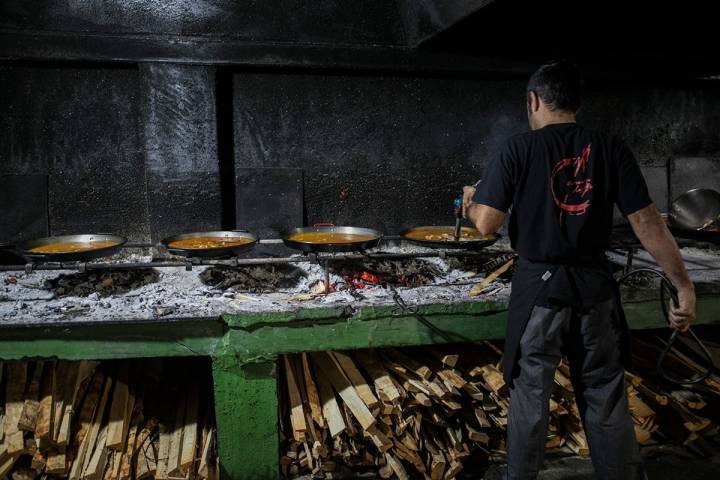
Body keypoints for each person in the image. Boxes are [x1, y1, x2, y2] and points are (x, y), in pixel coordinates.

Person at [462, 60, 696, 480]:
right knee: (605, 391)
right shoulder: (610, 147)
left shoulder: (518, 148)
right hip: (595, 290)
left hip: (540, 292)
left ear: (533, 100)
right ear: (577, 103)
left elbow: (485, 224)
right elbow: (646, 222)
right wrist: (683, 285)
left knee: (531, 390)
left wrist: (472, 199)